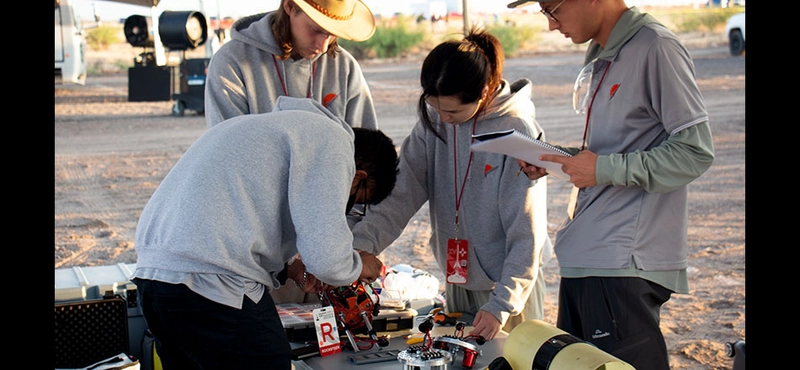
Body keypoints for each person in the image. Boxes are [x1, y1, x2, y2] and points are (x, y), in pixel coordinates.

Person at [507, 1, 715, 369]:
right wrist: (559, 158)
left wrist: (603, 169)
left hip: (622, 262)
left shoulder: (655, 47)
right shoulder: (605, 53)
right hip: (588, 258)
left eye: (552, 9)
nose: (552, 26)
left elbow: (694, 152)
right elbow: (615, 152)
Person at [131, 96, 399, 369]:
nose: (347, 206)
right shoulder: (333, 143)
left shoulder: (268, 128)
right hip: (213, 285)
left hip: (155, 280)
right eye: (357, 200)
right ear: (358, 176)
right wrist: (360, 264)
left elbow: (236, 213)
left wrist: (291, 268)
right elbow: (328, 260)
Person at [350, 28, 553, 342]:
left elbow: (528, 231)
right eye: (435, 108)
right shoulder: (433, 124)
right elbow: (400, 195)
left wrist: (502, 303)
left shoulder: (516, 131)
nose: (443, 119)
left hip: (508, 289)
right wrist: (358, 248)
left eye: (453, 111)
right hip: (459, 279)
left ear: (484, 91)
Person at [204, 0, 379, 130]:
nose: (323, 46)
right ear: (290, 6)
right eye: (316, 30)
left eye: (332, 34)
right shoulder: (231, 62)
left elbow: (367, 151)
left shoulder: (345, 67)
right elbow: (228, 149)